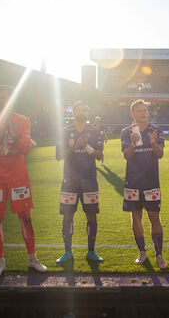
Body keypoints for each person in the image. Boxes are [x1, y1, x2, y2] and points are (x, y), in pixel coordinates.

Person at [0, 85, 47, 278]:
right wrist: (0, 134)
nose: (0, 101)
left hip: (18, 177)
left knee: (25, 218)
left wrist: (13, 134)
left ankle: (32, 258)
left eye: (4, 98)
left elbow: (26, 148)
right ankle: (0, 262)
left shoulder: (23, 121)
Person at [121, 99, 168, 269]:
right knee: (136, 217)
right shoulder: (126, 132)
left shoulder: (156, 130)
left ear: (148, 113)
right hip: (133, 182)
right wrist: (133, 143)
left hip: (151, 181)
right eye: (138, 110)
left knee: (154, 217)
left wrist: (154, 142)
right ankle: (142, 252)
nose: (142, 112)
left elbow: (160, 154)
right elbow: (126, 156)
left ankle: (159, 254)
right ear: (132, 114)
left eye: (144, 110)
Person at [55, 101, 104, 264]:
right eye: (78, 110)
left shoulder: (95, 131)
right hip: (70, 181)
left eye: (84, 110)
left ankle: (91, 251)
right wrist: (76, 146)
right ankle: (67, 252)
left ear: (87, 113)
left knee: (91, 216)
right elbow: (59, 155)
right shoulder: (65, 131)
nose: (81, 112)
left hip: (89, 180)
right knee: (67, 216)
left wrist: (87, 147)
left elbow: (99, 155)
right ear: (74, 113)